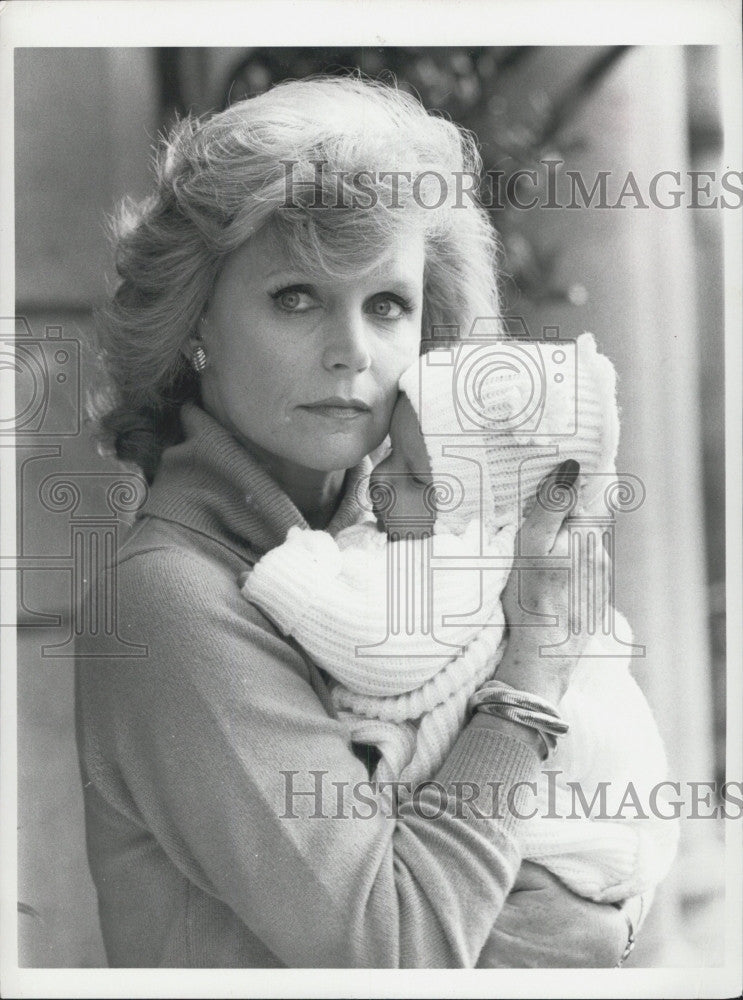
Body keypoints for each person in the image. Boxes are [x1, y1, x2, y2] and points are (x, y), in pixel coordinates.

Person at [77, 74, 642, 968]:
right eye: (295, 297)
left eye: (387, 305)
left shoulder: (382, 547)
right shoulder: (170, 599)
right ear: (197, 327)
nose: (351, 351)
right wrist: (531, 670)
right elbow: (400, 946)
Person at [239, 333, 679, 904]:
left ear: (488, 506)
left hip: (550, 831)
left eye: (416, 476)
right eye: (388, 454)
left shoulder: (468, 565)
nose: (380, 479)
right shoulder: (460, 545)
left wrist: (292, 572)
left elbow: (382, 648)